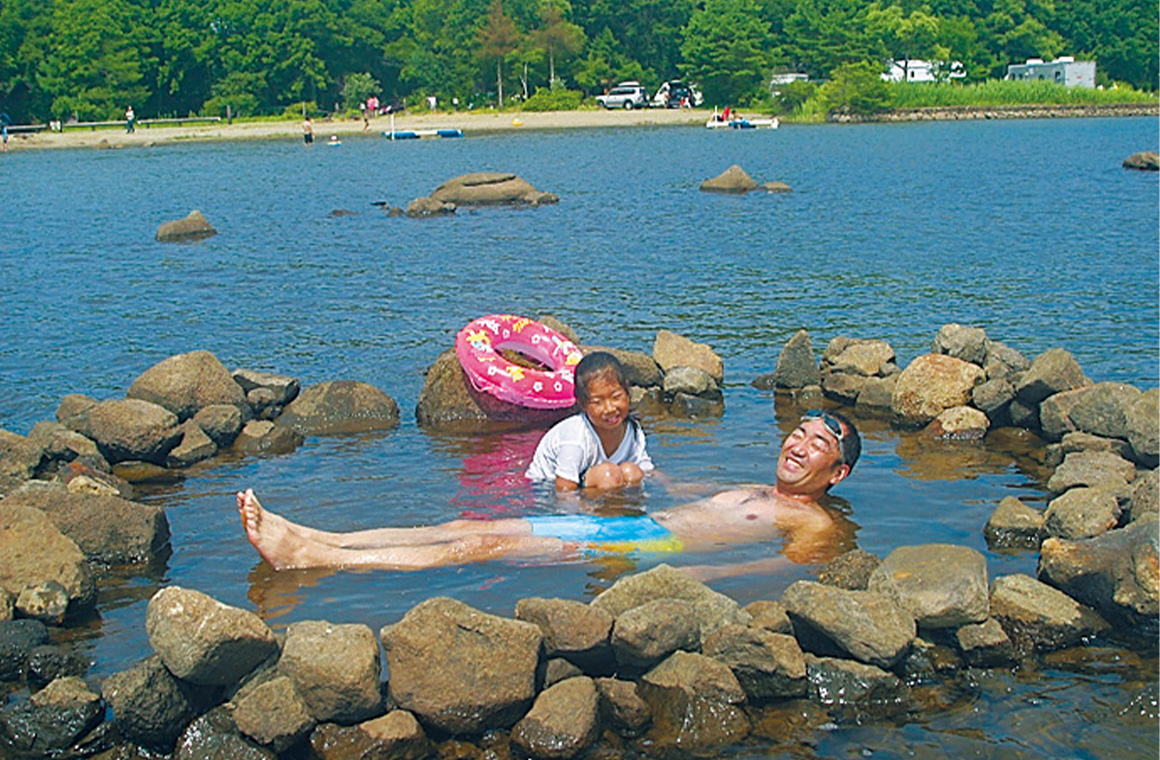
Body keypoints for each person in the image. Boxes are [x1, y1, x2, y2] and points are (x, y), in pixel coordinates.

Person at [236, 409, 861, 572]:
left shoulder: (815, 524)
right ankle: (320, 539)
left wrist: (706, 581)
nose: (797, 443)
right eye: (797, 432)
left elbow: (771, 570)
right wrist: (660, 476)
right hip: (631, 531)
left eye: (816, 444)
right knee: (463, 532)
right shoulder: (760, 489)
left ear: (837, 475)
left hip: (637, 547)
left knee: (478, 546)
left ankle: (309, 560)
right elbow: (695, 495)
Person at [526, 351, 652, 492]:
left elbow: (648, 471)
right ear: (583, 404)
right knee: (608, 475)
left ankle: (622, 512)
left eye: (616, 397)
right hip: (545, 489)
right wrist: (582, 510)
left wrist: (672, 487)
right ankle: (607, 512)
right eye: (597, 402)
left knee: (633, 473)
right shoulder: (575, 436)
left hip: (590, 482)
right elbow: (564, 489)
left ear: (627, 392)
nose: (609, 408)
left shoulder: (632, 430)